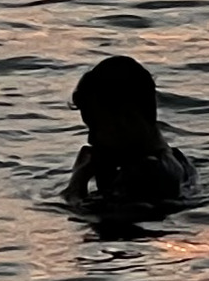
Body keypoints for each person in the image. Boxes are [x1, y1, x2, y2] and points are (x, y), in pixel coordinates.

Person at [60, 53, 194, 222]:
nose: (91, 139)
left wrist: (78, 181)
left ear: (129, 119)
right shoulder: (175, 159)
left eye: (96, 127)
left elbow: (93, 215)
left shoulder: (145, 172)